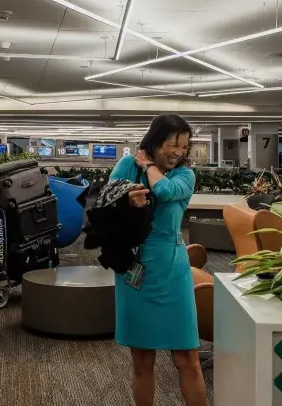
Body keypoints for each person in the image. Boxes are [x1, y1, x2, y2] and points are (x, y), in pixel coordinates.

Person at [110, 114, 206, 406]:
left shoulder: (184, 176)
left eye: (184, 146)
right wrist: (127, 200)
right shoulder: (127, 165)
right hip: (134, 268)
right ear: (154, 141)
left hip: (171, 268)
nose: (178, 152)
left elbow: (164, 191)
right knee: (141, 359)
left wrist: (148, 165)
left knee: (187, 357)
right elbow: (106, 200)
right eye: (172, 144)